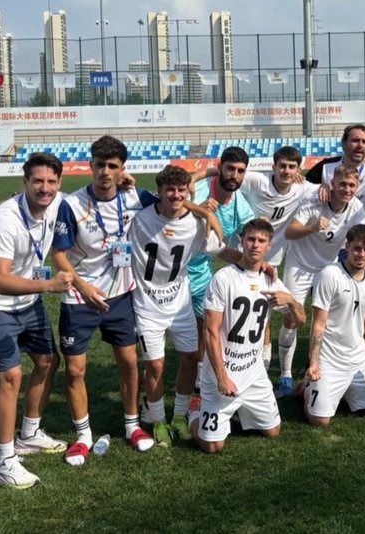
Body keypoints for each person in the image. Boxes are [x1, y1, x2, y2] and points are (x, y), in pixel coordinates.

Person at [52, 135, 159, 464]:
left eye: (113, 166)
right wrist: (83, 287)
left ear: (122, 169)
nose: (105, 171)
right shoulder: (70, 204)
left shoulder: (133, 196)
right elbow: (57, 255)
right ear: (91, 165)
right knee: (74, 370)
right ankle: (83, 435)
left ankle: (131, 426)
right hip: (79, 298)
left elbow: (172, 203)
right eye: (100, 165)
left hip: (120, 296)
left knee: (128, 363)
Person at [0, 152, 71, 487]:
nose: (44, 188)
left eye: (51, 182)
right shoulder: (6, 218)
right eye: (37, 181)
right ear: (24, 182)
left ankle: (29, 433)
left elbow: (93, 196)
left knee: (46, 361)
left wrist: (125, 184)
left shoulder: (57, 203)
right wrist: (48, 285)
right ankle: (3, 460)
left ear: (59, 183)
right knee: (10, 376)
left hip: (28, 301)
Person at [129, 165, 224, 446]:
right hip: (147, 304)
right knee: (155, 366)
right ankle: (157, 420)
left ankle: (180, 415)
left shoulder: (195, 223)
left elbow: (218, 249)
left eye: (182, 189)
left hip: (179, 302)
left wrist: (251, 262)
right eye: (170, 189)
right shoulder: (139, 217)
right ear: (158, 191)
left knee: (190, 358)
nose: (176, 194)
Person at [192, 219, 305, 452]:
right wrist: (222, 377)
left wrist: (292, 302)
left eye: (261, 241)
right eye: (251, 239)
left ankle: (241, 409)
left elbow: (301, 320)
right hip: (221, 371)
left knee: (273, 431)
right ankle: (195, 411)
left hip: (253, 373)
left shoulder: (271, 280)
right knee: (212, 446)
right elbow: (210, 331)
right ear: (242, 241)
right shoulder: (223, 278)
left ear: (269, 245)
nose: (255, 245)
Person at [173, 146, 255, 435]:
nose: (234, 175)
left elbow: (246, 239)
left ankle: (196, 389)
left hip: (199, 274)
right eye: (230, 168)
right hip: (167, 272)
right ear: (220, 168)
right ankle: (152, 402)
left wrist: (258, 264)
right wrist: (202, 210)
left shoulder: (241, 205)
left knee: (205, 333)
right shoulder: (196, 187)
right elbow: (172, 200)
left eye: (240, 170)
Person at [277, 165, 365, 396]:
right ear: (333, 185)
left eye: (351, 185)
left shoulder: (356, 208)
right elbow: (290, 231)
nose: (347, 189)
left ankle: (322, 364)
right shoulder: (314, 201)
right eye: (342, 185)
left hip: (328, 268)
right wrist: (312, 227)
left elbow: (362, 240)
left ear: (357, 187)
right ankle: (285, 374)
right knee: (291, 318)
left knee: (329, 319)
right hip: (300, 266)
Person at [238, 145, 320, 390]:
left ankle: (277, 374)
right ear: (273, 166)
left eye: (291, 166)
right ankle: (243, 368)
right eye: (282, 165)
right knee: (247, 318)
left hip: (271, 262)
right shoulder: (256, 181)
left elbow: (329, 188)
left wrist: (325, 187)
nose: (286, 171)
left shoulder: (302, 187)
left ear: (298, 169)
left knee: (272, 316)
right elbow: (223, 176)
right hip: (244, 258)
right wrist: (196, 178)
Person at [304, 225, 365, 426]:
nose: (361, 254)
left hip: (357, 357)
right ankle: (309, 388)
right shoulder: (329, 275)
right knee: (320, 420)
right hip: (330, 358)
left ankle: (338, 392)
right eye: (357, 249)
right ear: (347, 246)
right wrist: (314, 363)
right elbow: (318, 324)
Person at [304, 123, 365, 218]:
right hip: (327, 229)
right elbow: (301, 188)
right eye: (355, 140)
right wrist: (318, 187)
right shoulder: (325, 166)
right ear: (344, 143)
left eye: (364, 142)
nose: (360, 145)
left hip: (359, 231)